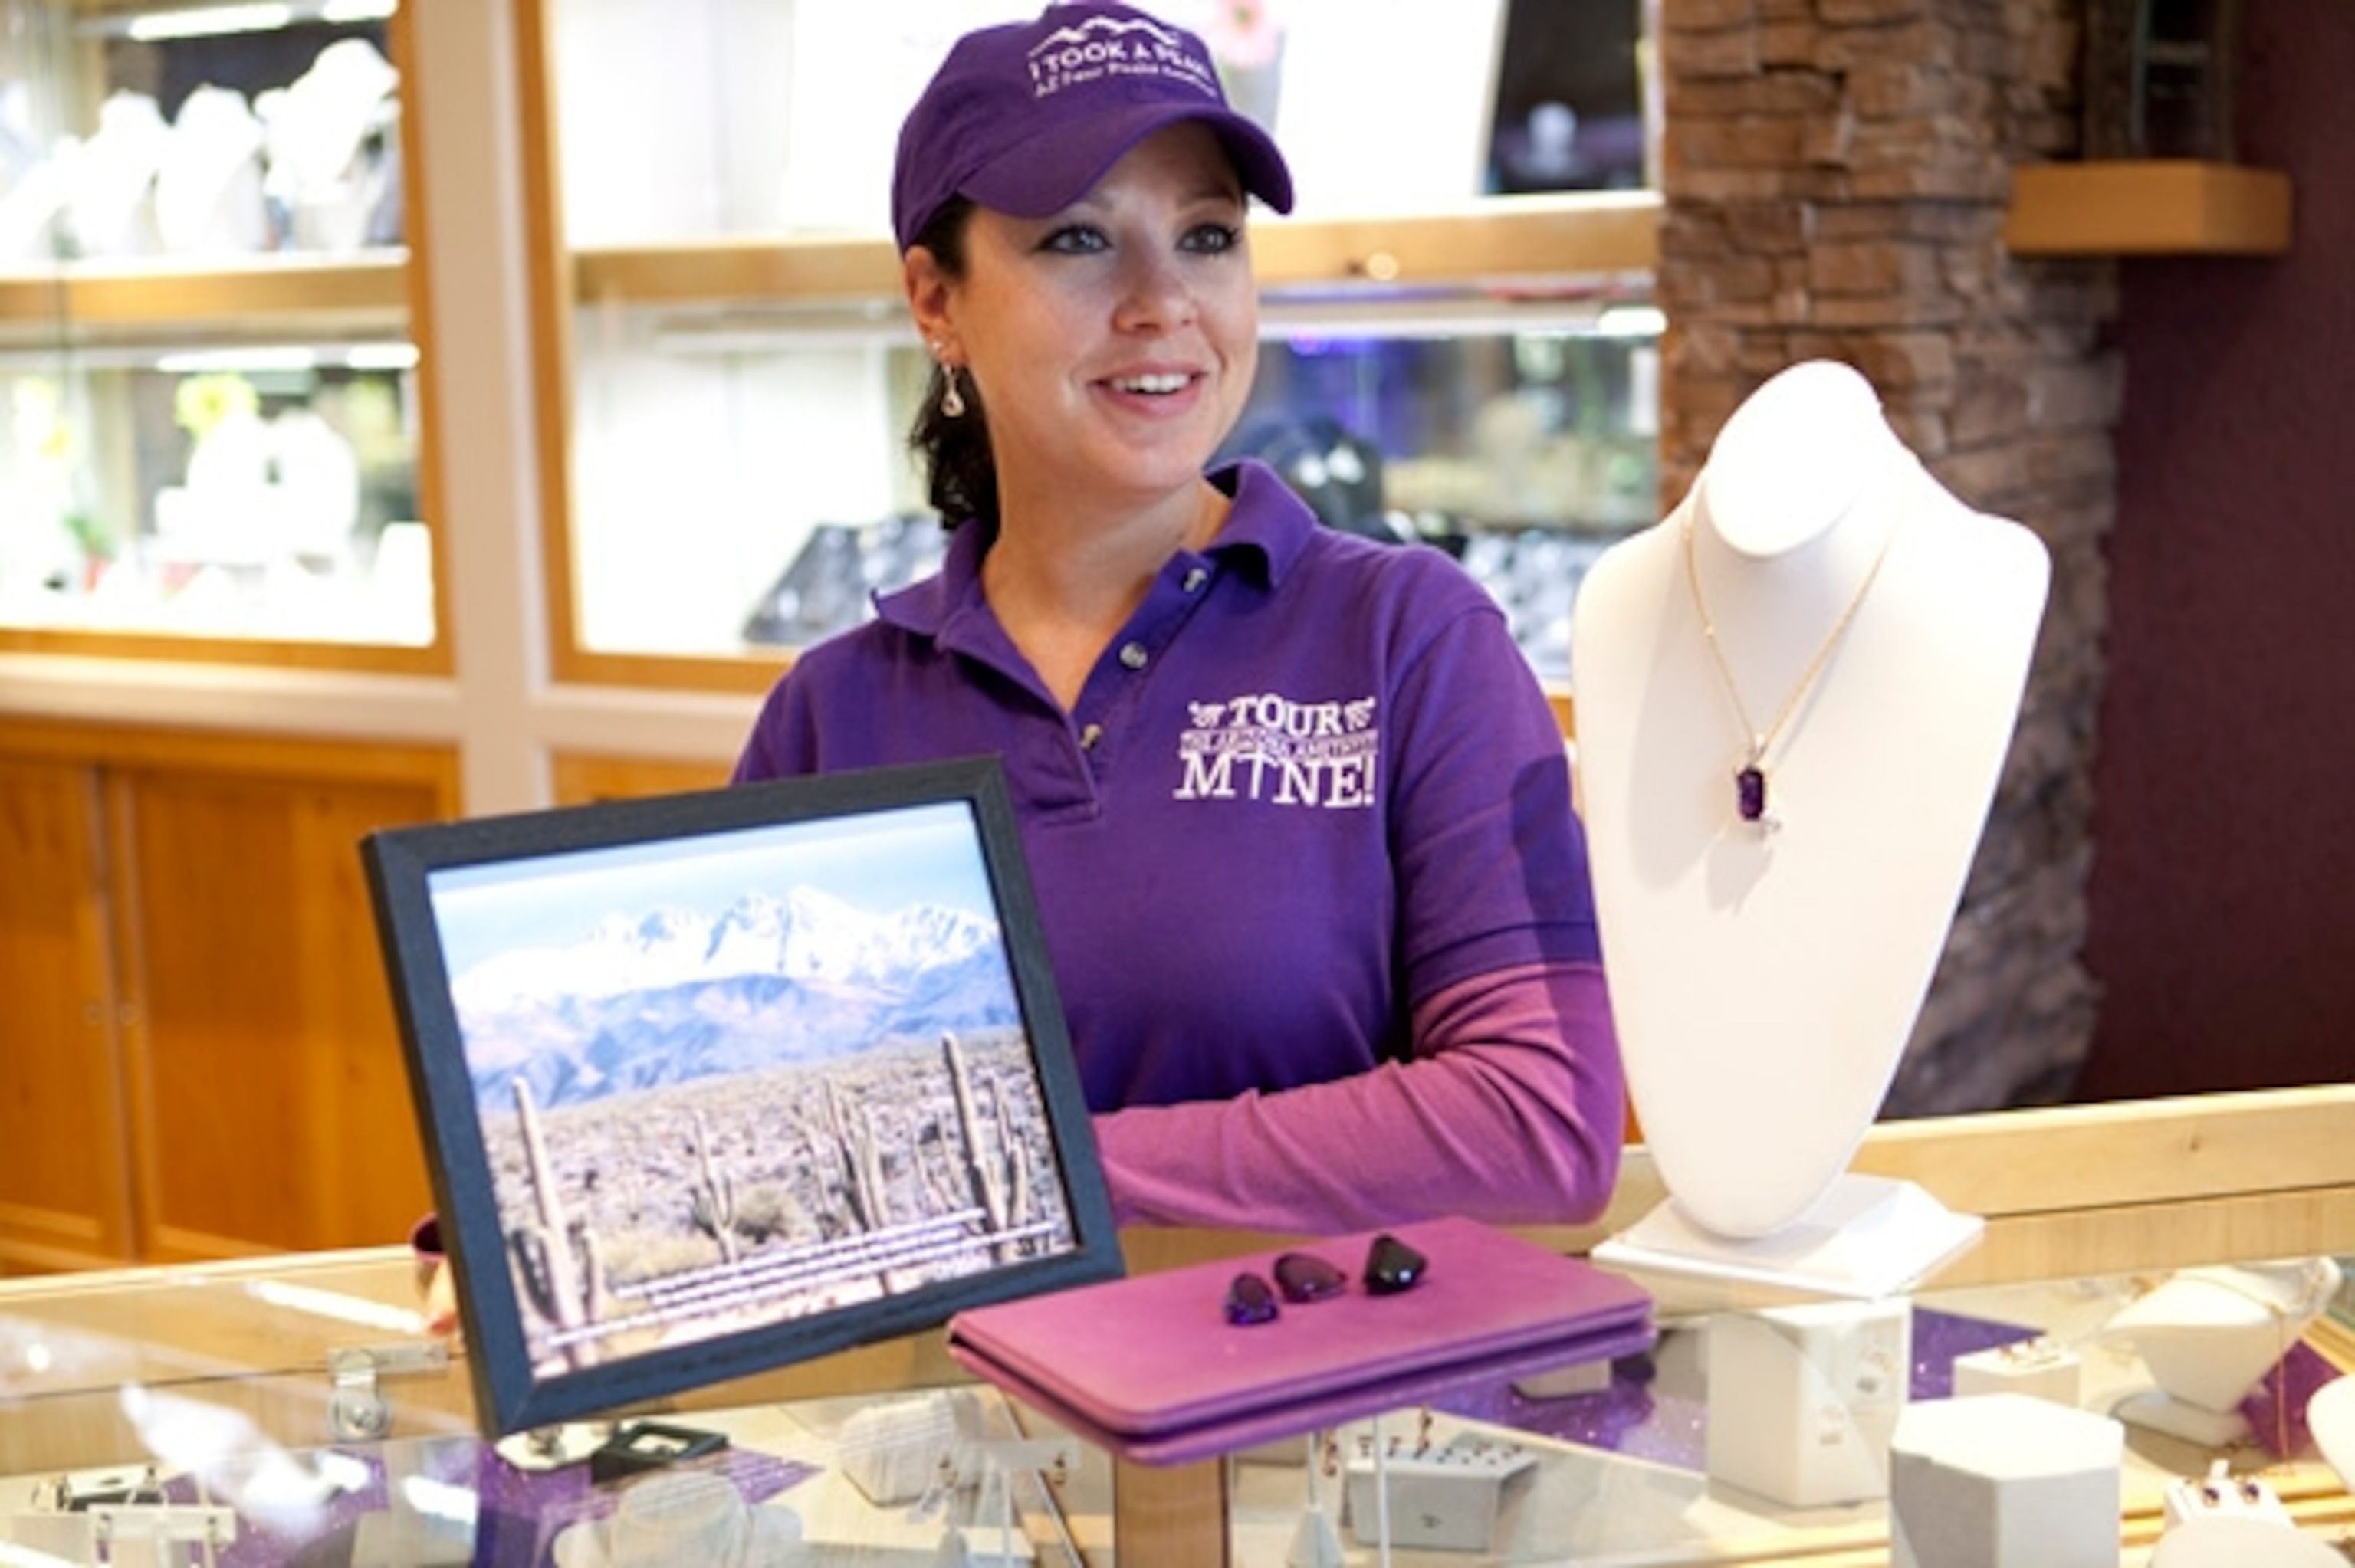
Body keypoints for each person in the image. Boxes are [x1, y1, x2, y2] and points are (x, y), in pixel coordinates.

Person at [741, 0, 1624, 1236]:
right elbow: (752, 1172)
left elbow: (1541, 1120)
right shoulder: (831, 717)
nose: (1164, 301)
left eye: (1208, 236)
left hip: (1324, 1363)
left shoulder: (1410, 639)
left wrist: (1035, 1171)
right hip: (946, 1372)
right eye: (1079, 240)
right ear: (936, 300)